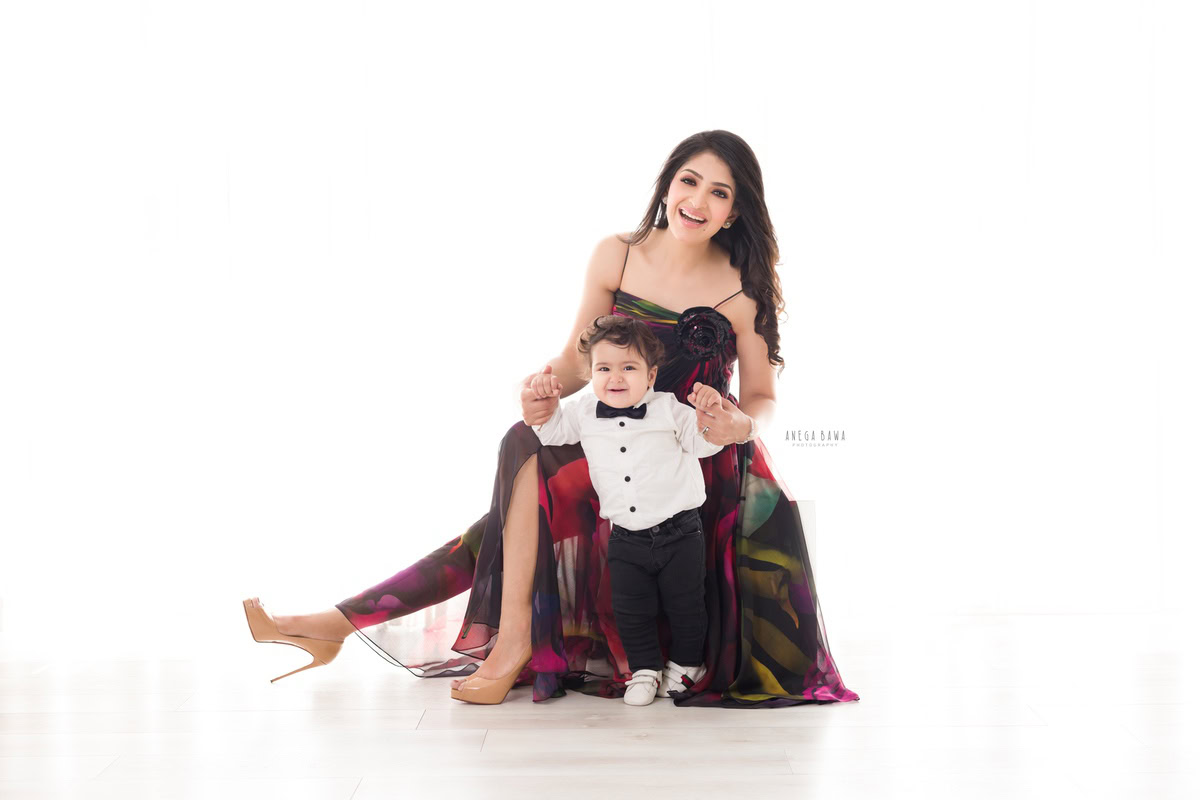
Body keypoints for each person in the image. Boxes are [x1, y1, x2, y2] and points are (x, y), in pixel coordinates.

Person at [244, 129, 861, 708]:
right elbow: (576, 360)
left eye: (719, 192)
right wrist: (541, 388)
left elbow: (762, 396)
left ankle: (346, 625)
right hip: (613, 433)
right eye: (689, 181)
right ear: (667, 184)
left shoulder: (744, 284)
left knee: (509, 520)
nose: (698, 201)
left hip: (694, 456)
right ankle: (498, 640)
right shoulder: (616, 255)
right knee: (522, 445)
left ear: (736, 210)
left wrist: (741, 426)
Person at [516, 314, 726, 706]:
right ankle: (644, 668)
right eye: (604, 368)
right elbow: (553, 431)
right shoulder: (581, 411)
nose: (616, 377)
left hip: (681, 530)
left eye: (629, 367)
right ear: (591, 373)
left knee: (686, 604)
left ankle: (685, 665)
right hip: (626, 536)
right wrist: (541, 403)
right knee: (630, 609)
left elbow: (704, 445)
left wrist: (709, 414)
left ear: (650, 376)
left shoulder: (669, 409)